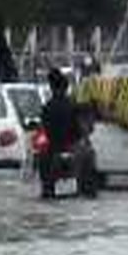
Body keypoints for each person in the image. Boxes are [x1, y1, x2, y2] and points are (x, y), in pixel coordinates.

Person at [38, 68, 96, 198]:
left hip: (53, 149)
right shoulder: (74, 105)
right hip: (72, 147)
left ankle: (47, 189)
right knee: (89, 159)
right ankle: (88, 191)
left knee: (43, 166)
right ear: (66, 88)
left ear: (52, 88)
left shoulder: (47, 107)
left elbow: (43, 130)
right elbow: (82, 128)